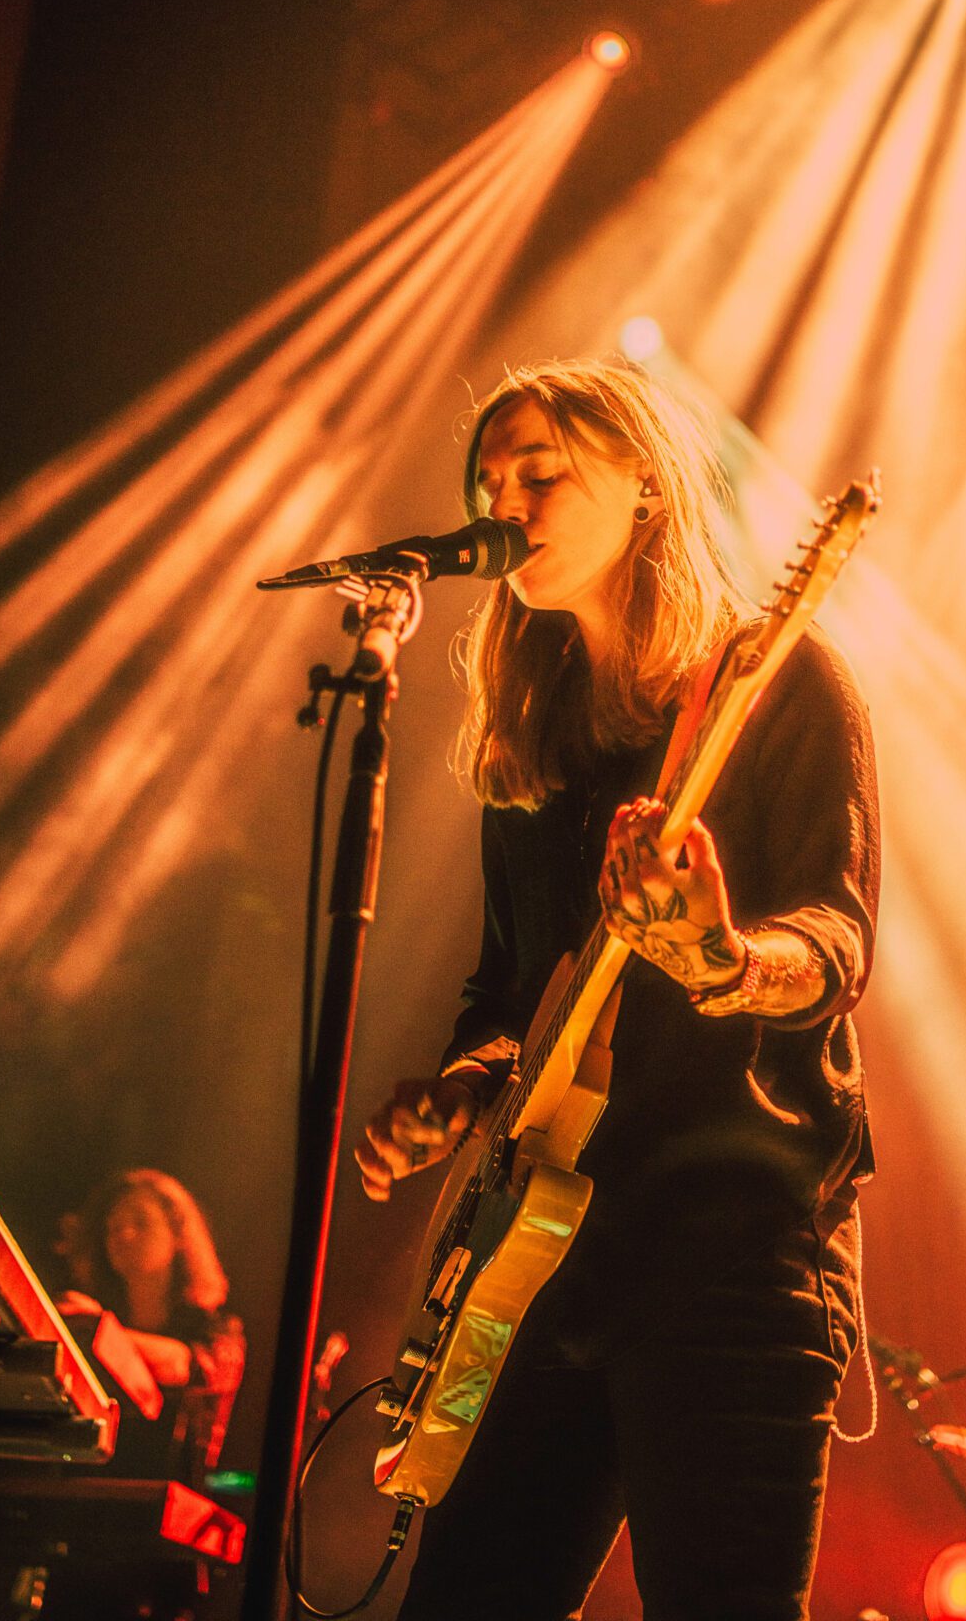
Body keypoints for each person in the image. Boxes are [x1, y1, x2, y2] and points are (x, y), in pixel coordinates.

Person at [355, 359, 880, 1621]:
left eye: (538, 473)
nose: (504, 503)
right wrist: (459, 1089)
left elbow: (835, 937)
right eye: (487, 482)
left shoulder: (778, 682)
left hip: (730, 1249)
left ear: (644, 482)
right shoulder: (535, 739)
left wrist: (719, 956)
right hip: (538, 1264)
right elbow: (508, 993)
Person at [56, 1167, 245, 1483]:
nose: (123, 1235)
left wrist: (99, 1328)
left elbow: (182, 1364)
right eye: (113, 1227)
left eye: (140, 1223)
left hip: (171, 1501)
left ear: (178, 1234)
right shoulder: (98, 1313)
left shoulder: (216, 1327)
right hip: (84, 1488)